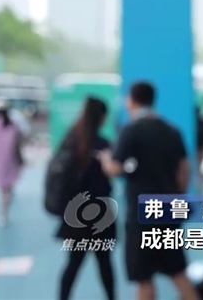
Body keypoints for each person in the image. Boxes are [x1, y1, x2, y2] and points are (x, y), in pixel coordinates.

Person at [98, 81, 199, 300]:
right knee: (177, 272)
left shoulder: (131, 130)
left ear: (132, 100)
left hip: (141, 214)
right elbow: (185, 168)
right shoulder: (171, 131)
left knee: (144, 278)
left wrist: (106, 160)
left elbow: (114, 167)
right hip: (168, 209)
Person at [54, 96, 115, 300]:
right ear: (102, 117)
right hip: (100, 215)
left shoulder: (71, 141)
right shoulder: (103, 145)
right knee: (104, 263)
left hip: (75, 214)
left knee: (73, 263)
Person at [0, 99, 24, 226]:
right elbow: (18, 142)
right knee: (6, 190)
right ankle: (3, 214)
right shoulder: (13, 125)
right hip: (8, 162)